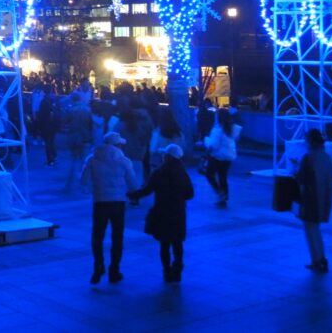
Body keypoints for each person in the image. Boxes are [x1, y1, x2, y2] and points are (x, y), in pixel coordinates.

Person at [128, 144, 195, 283]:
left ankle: (166, 271)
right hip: (178, 213)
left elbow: (147, 190)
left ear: (167, 157)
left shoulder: (159, 172)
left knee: (164, 244)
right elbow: (190, 194)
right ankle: (177, 269)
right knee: (177, 243)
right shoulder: (183, 174)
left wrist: (132, 194)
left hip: (162, 211)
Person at [81, 132, 136, 284]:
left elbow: (83, 180)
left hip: (100, 202)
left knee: (97, 236)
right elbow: (133, 184)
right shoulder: (124, 161)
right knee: (117, 237)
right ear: (117, 145)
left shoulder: (92, 159)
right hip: (118, 202)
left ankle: (98, 266)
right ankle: (114, 270)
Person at [295, 129, 332, 273]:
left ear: (310, 141)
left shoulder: (308, 157)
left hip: (309, 199)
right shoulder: (327, 157)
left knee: (310, 230)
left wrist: (295, 168)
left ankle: (316, 260)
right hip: (323, 198)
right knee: (316, 229)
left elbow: (300, 178)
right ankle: (322, 258)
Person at [204, 108, 241, 206]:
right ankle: (224, 198)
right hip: (229, 157)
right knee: (223, 177)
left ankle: (220, 194)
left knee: (209, 174)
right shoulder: (231, 128)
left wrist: (206, 140)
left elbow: (213, 146)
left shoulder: (217, 130)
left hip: (217, 157)